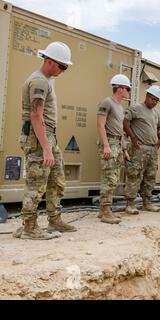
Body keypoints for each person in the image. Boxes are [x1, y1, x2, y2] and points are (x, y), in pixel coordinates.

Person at [16, 42, 76, 240]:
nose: (63, 71)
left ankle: (54, 219)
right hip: (38, 137)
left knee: (56, 180)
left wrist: (50, 145)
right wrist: (46, 148)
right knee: (36, 183)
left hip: (48, 136)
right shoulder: (39, 81)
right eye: (62, 66)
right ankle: (29, 227)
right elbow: (35, 116)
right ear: (50, 61)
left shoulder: (48, 79)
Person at [123, 85, 160, 214]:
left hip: (152, 149)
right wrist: (133, 138)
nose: (155, 102)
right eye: (153, 99)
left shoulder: (156, 113)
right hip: (139, 148)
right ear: (147, 96)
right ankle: (130, 204)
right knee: (135, 175)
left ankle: (147, 203)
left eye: (157, 100)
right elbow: (125, 122)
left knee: (150, 176)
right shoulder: (136, 108)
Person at [96, 74, 131, 224]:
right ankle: (105, 212)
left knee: (114, 178)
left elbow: (120, 130)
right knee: (109, 179)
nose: (128, 91)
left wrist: (124, 150)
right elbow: (100, 125)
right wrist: (106, 145)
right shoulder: (107, 102)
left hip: (117, 144)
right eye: (127, 89)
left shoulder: (120, 106)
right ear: (121, 88)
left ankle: (104, 210)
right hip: (109, 142)